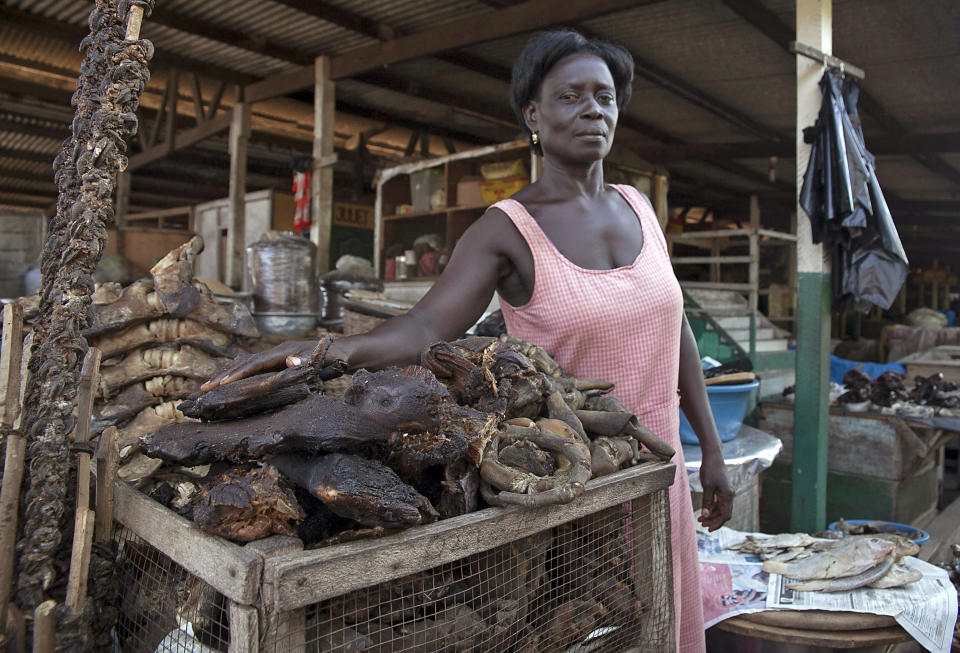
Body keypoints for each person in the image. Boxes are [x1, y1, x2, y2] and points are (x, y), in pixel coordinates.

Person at [204, 30, 733, 652]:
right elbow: (426, 328)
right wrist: (320, 353)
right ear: (533, 115)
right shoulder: (507, 229)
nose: (593, 109)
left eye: (605, 97)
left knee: (665, 627)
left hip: (659, 476)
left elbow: (678, 334)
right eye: (571, 96)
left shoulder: (640, 207)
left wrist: (711, 452)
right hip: (566, 485)